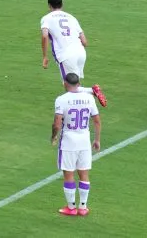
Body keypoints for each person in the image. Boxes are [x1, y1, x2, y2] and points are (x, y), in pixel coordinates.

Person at [40, 0, 107, 106]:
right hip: (81, 53)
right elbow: (85, 42)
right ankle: (81, 105)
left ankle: (93, 91)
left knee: (69, 85)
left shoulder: (46, 18)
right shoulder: (71, 17)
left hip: (66, 55)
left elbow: (45, 35)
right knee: (75, 83)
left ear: (49, 5)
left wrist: (45, 56)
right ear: (62, 4)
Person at [51, 73, 100, 217]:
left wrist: (53, 137)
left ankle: (71, 207)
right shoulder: (89, 98)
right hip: (84, 140)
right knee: (84, 173)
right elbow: (97, 121)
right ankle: (83, 207)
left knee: (69, 174)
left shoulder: (61, 100)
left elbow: (57, 123)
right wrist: (97, 140)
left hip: (68, 142)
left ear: (65, 84)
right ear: (79, 84)